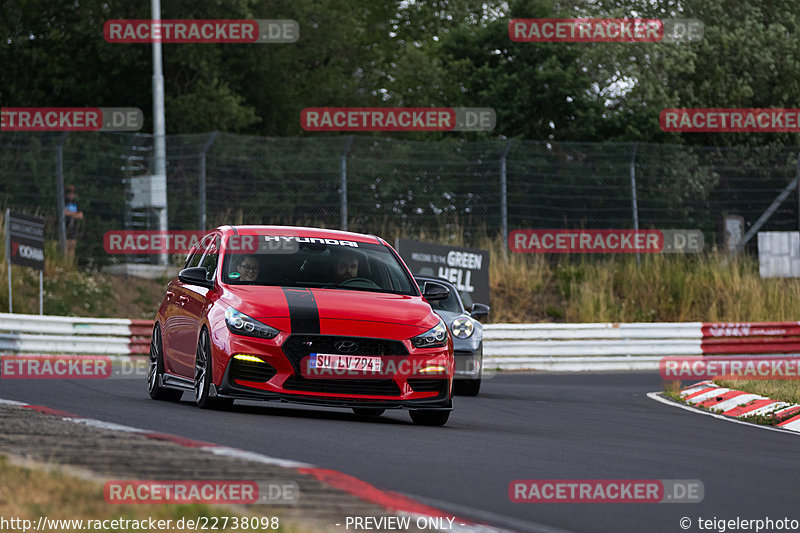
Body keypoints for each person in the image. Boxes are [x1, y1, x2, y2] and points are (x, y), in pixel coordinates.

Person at [63, 185, 83, 261]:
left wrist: (71, 213)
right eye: (69, 192)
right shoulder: (64, 201)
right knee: (66, 244)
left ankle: (70, 263)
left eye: (73, 192)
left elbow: (81, 215)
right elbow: (65, 212)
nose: (71, 194)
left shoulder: (76, 203)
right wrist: (75, 214)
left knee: (73, 244)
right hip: (65, 226)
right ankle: (64, 261)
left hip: (74, 226)